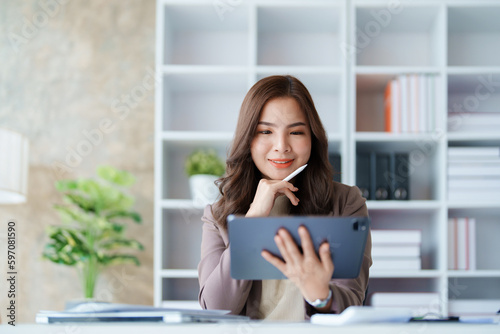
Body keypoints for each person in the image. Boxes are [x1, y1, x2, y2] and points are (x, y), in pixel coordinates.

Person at [197, 75, 372, 321]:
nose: (281, 146)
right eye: (265, 131)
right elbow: (215, 310)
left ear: (313, 137)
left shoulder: (346, 203)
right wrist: (252, 220)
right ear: (248, 139)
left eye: (296, 132)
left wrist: (320, 295)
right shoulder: (217, 215)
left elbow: (352, 303)